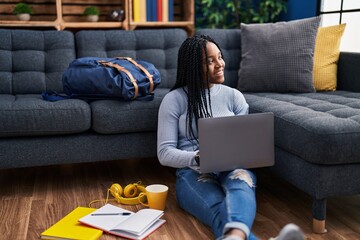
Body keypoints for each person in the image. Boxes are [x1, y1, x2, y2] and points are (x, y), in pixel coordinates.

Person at [157, 35, 304, 240]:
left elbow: (242, 142)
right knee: (219, 209)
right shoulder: (174, 100)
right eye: (210, 61)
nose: (220, 64)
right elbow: (164, 153)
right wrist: (198, 157)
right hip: (192, 172)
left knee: (240, 184)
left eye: (220, 57)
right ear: (192, 67)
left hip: (233, 165)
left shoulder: (234, 96)